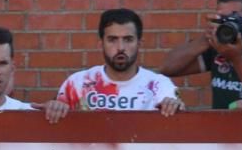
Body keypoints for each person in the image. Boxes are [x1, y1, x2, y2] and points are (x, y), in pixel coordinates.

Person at [41, 9, 185, 122]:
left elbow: (179, 117)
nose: (120, 47)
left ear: (139, 44)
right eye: (112, 40)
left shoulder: (159, 85)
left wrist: (174, 106)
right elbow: (55, 125)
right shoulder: (78, 83)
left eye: (128, 39)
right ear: (101, 44)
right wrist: (55, 107)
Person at [159, 0, 242, 109]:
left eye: (234, 18)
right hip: (219, 126)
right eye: (223, 18)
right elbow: (167, 69)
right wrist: (205, 39)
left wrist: (236, 59)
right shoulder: (219, 45)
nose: (229, 24)